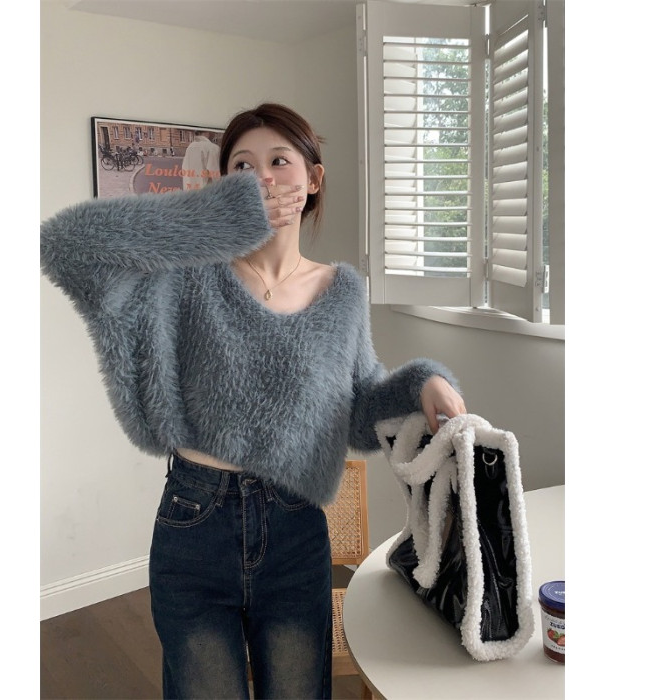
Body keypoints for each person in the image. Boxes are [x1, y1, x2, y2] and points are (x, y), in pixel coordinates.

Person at [40, 103, 466, 699]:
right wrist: (213, 221)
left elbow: (358, 408)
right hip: (195, 522)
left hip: (295, 532)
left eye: (279, 160)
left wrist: (423, 381)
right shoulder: (187, 275)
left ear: (313, 179)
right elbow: (64, 246)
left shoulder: (343, 290)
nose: (261, 176)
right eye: (242, 166)